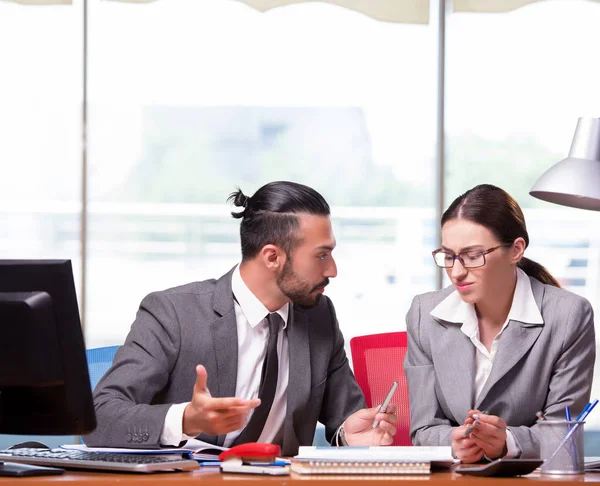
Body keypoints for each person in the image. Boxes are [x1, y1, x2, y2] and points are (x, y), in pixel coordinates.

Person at [85, 181, 397, 455]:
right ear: (272, 256)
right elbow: (99, 418)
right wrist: (186, 419)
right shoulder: (174, 313)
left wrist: (349, 435)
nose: (332, 270)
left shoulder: (319, 316)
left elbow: (346, 419)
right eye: (321, 255)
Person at [404, 184, 595, 462]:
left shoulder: (569, 316)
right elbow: (423, 428)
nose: (456, 272)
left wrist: (509, 442)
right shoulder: (425, 313)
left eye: (472, 256)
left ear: (516, 250)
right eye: (448, 256)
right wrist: (452, 443)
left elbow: (563, 431)